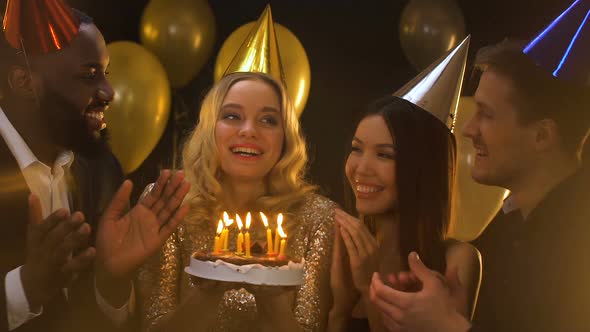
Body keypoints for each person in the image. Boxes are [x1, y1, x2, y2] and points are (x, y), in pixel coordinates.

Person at [368, 35, 590, 332]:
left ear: (542, 136)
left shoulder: (579, 238)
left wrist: (446, 325)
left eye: (486, 114)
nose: (470, 130)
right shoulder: (507, 224)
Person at [0, 3, 189, 331]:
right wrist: (25, 290)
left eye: (106, 73)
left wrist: (111, 281)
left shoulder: (101, 169)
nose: (109, 92)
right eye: (89, 75)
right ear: (25, 82)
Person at [136, 71, 335, 332]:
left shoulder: (317, 216)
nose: (249, 131)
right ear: (210, 128)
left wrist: (271, 295)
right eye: (232, 116)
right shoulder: (171, 201)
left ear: (285, 136)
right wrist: (208, 292)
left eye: (268, 120)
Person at [328, 94, 481, 332]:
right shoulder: (339, 249)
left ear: (423, 168)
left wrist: (370, 289)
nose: (362, 168)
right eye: (357, 149)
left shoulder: (454, 261)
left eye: (384, 155)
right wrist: (340, 310)